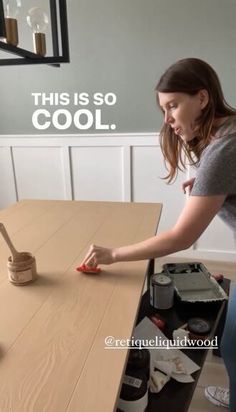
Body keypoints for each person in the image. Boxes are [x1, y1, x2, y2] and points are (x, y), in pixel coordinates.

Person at [81, 58, 236, 410]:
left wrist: (114, 254)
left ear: (202, 97)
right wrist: (216, 185)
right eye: (163, 109)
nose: (167, 119)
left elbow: (181, 237)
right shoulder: (230, 133)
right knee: (231, 341)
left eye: (173, 106)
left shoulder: (224, 150)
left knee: (233, 344)